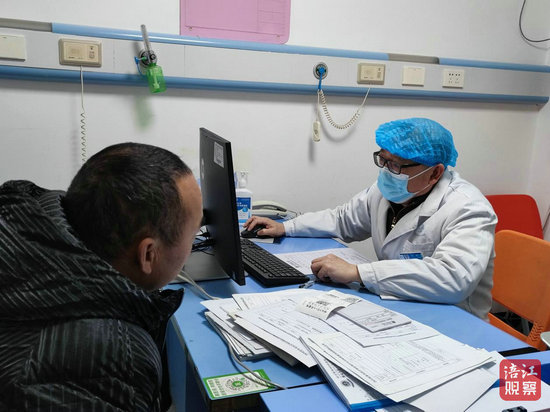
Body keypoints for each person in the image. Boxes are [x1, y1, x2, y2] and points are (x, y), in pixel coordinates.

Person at [0, 143, 203, 411]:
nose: (194, 241)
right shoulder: (113, 359)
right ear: (148, 254)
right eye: (193, 233)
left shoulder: (30, 226)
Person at [245, 118, 497, 320]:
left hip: (454, 320)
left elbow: (453, 279)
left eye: (396, 166)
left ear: (435, 173)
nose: (387, 172)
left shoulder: (468, 208)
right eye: (383, 160)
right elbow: (342, 220)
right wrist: (286, 227)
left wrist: (358, 272)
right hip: (400, 307)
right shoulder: (387, 191)